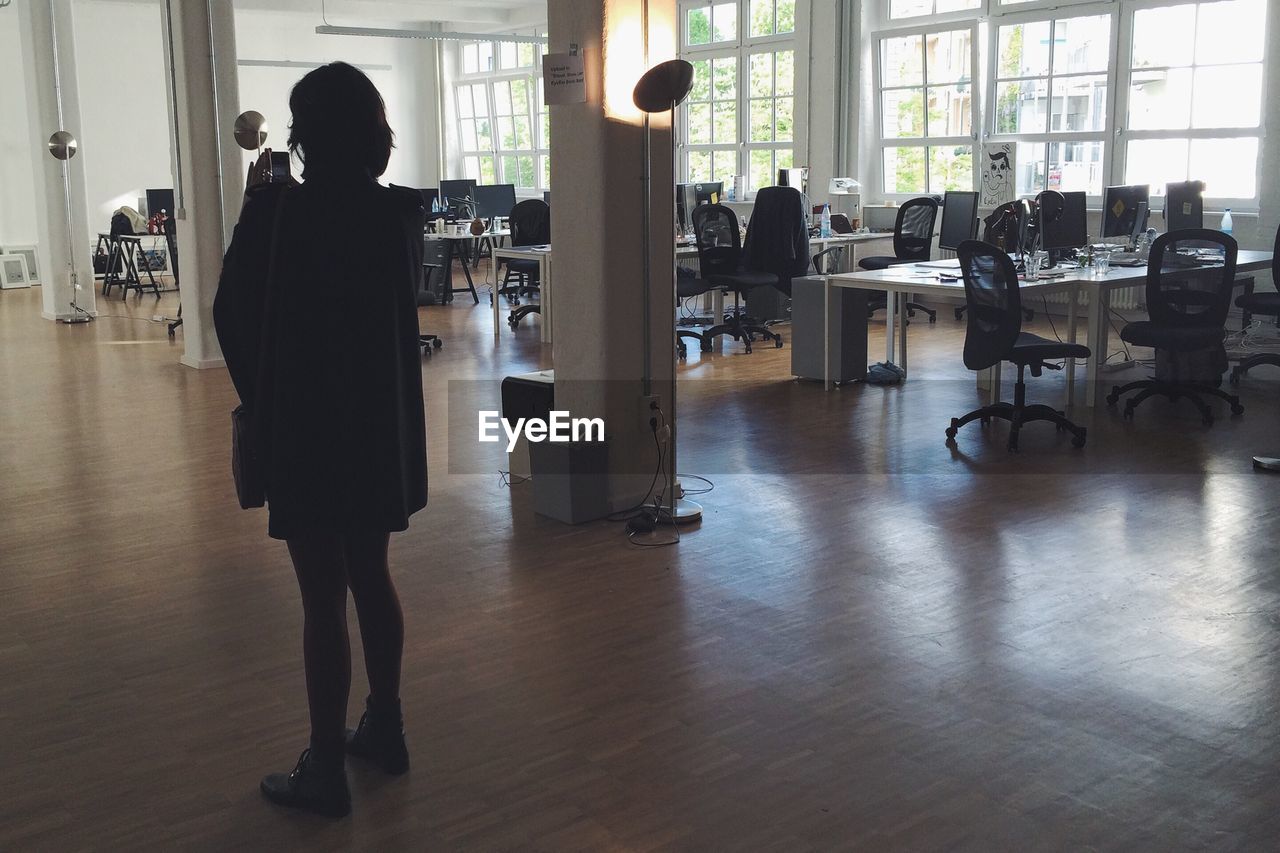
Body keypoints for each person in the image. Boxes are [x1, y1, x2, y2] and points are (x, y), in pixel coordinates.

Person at [213, 62, 427, 819]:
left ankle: (325, 769)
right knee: (372, 571)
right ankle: (387, 728)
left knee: (320, 595)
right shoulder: (399, 213)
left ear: (304, 135)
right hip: (377, 425)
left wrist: (249, 207)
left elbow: (231, 312)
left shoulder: (280, 214)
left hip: (309, 425)